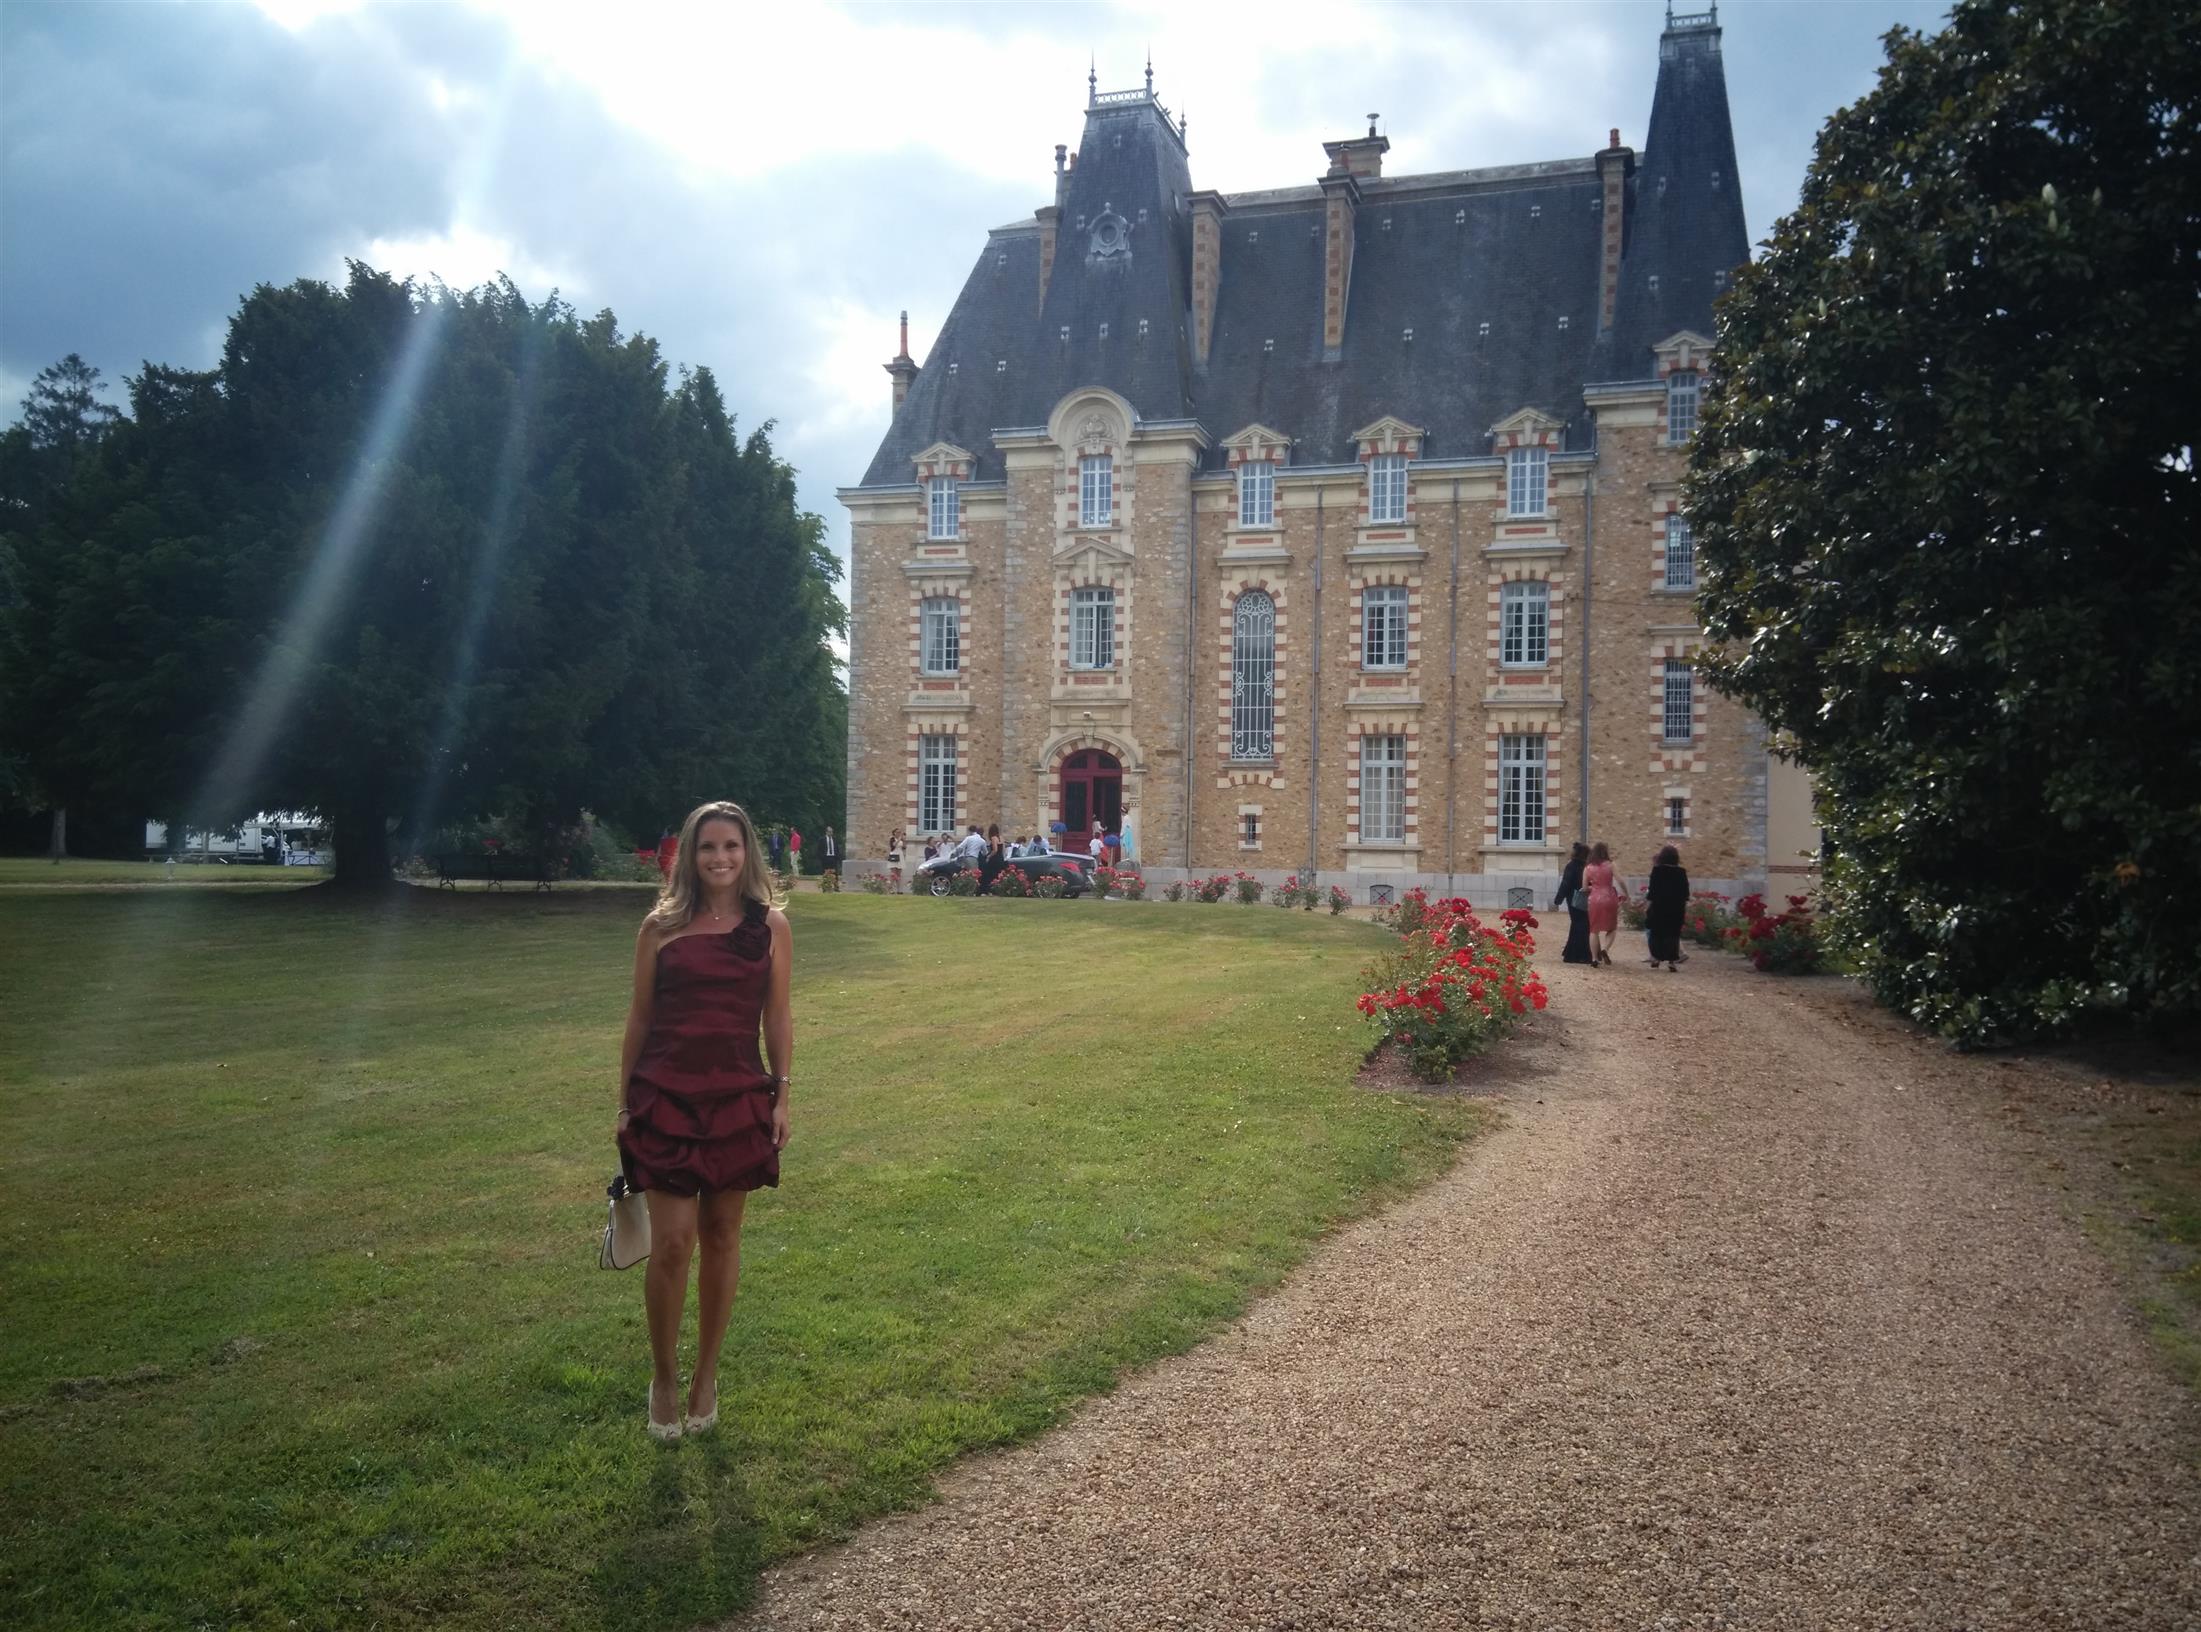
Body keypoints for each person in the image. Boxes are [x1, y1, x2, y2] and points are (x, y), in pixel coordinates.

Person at [615, 801, 793, 1442]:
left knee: (722, 1235)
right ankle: (663, 1377)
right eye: (708, 846)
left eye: (732, 846)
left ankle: (705, 1377)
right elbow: (640, 1017)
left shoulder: (770, 927)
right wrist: (625, 1102)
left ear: (748, 854)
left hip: (738, 1097)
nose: (721, 858)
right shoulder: (658, 928)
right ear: (689, 855)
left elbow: (777, 1016)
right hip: (667, 1095)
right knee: (673, 1244)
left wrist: (782, 1094)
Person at [1645, 845, 1690, 971]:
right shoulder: (1681, 872)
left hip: (1659, 906)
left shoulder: (1657, 871)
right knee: (1673, 934)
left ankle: (1656, 957)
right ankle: (1671, 961)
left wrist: (1648, 906)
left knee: (1656, 933)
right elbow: (1685, 892)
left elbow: (1652, 891)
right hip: (1676, 907)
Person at [1584, 841, 1625, 968]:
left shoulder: (1588, 868)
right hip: (1609, 898)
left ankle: (1594, 959)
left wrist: (1594, 887)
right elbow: (1620, 881)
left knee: (1593, 930)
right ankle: (1605, 949)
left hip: (1594, 899)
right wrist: (1626, 893)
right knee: (1612, 928)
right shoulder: (1610, 865)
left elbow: (1584, 887)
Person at [1552, 841, 1593, 965]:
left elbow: (1566, 883)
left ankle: (1573, 953)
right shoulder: (1587, 866)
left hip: (1573, 898)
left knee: (1577, 924)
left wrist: (1558, 899)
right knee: (1583, 924)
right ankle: (1580, 953)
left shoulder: (1572, 865)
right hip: (1585, 897)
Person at [978, 824, 1007, 893]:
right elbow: (1003, 849)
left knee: (991, 874)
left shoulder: (994, 838)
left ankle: (989, 889)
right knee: (999, 874)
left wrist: (989, 856)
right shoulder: (1001, 838)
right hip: (1000, 858)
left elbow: (995, 850)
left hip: (995, 859)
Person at [1119, 803, 1137, 868]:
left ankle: (1127, 857)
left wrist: (1121, 834)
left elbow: (1124, 826)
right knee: (1128, 844)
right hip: (1129, 832)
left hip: (1126, 832)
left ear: (1123, 812)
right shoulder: (1129, 817)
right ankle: (1128, 857)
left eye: (1121, 812)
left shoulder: (1125, 818)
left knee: (1125, 844)